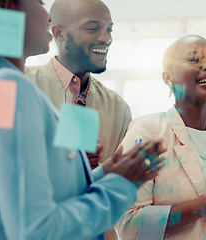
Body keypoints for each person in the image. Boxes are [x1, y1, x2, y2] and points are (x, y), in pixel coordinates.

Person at [0, 0, 163, 239]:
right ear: (8, 10)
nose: (47, 15)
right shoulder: (11, 87)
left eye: (109, 29)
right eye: (39, 2)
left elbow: (12, 194)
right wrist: (122, 185)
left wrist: (105, 173)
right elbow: (36, 230)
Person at [116, 35, 206, 240]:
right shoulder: (147, 132)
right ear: (167, 77)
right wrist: (204, 207)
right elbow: (127, 224)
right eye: (194, 60)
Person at [25, 0, 131, 169]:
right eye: (92, 28)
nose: (107, 38)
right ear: (58, 33)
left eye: (109, 29)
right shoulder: (22, 83)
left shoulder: (118, 107)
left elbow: (120, 184)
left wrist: (99, 170)